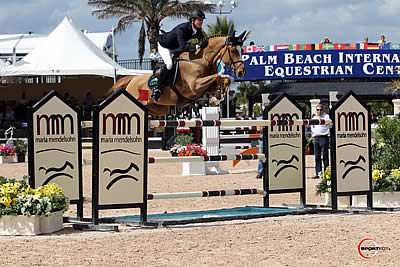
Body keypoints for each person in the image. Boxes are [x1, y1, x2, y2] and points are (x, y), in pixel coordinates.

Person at [152, 9, 209, 102]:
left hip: (175, 47)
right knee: (169, 64)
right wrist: (197, 46)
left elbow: (202, 40)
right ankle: (157, 88)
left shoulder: (198, 30)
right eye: (199, 20)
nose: (201, 22)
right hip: (165, 46)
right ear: (192, 20)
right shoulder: (181, 29)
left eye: (202, 20)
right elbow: (183, 47)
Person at [311, 104, 330, 178]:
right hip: (316, 138)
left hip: (324, 137)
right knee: (317, 156)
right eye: (317, 110)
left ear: (323, 110)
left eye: (320, 109)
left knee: (325, 156)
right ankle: (318, 173)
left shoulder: (327, 117)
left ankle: (326, 173)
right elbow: (312, 127)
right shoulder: (314, 117)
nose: (319, 111)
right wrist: (314, 134)